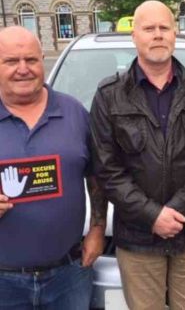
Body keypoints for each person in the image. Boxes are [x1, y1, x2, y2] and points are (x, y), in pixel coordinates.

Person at [90, 0, 185, 310]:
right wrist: (152, 215)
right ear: (134, 36)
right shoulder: (109, 95)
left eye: (164, 28)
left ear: (174, 34)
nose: (158, 35)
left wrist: (176, 210)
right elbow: (106, 168)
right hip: (138, 240)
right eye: (148, 28)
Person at [0, 26, 107, 309]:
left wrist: (97, 229)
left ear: (42, 60)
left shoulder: (74, 113)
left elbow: (96, 176)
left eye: (31, 60)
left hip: (69, 274)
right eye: (11, 61)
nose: (23, 69)